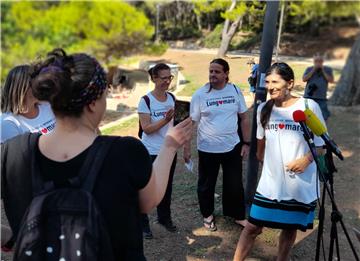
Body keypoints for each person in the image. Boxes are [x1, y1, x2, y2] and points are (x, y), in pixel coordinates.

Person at [1, 48, 192, 260]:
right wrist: (170, 145)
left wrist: (13, 237)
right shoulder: (125, 151)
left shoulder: (11, 152)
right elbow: (148, 201)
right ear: (93, 103)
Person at [233, 62, 325, 261]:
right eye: (267, 82)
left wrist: (306, 160)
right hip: (270, 185)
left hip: (298, 185)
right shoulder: (264, 109)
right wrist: (272, 170)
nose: (270, 86)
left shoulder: (309, 107)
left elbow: (322, 146)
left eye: (275, 82)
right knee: (252, 227)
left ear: (290, 83)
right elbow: (260, 150)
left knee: (289, 228)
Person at [184, 58, 250, 231]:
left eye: (217, 71)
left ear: (226, 74)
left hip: (232, 146)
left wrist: (246, 143)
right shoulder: (200, 94)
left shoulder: (235, 90)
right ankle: (208, 215)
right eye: (211, 71)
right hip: (207, 148)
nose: (212, 75)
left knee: (234, 184)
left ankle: (237, 215)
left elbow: (244, 118)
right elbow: (191, 122)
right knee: (206, 184)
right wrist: (186, 148)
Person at [137, 63, 178, 239]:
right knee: (145, 188)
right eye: (163, 78)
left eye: (170, 77)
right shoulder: (145, 101)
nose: (167, 81)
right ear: (154, 78)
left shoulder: (172, 98)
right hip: (150, 151)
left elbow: (174, 125)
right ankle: (143, 224)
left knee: (166, 187)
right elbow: (146, 128)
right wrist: (165, 119)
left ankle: (164, 218)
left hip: (168, 150)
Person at [1, 65, 56, 143]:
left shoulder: (47, 106)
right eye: (37, 83)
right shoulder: (7, 123)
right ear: (21, 88)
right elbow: (19, 154)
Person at [303, 53, 334, 121]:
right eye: (316, 61)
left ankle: (323, 130)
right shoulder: (309, 69)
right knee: (307, 116)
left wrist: (323, 70)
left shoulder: (328, 69)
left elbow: (331, 80)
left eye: (320, 61)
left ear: (322, 61)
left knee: (324, 116)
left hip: (321, 97)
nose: (318, 63)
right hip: (309, 96)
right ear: (314, 61)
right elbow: (304, 79)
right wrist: (313, 69)